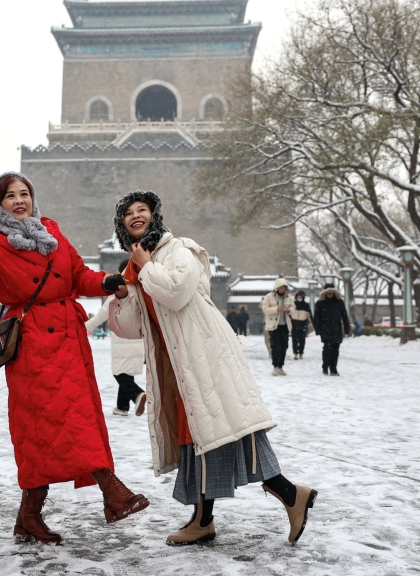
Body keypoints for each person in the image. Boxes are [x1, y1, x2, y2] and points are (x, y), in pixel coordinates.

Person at [0, 172, 148, 546]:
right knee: (43, 428)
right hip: (32, 345)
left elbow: (78, 276)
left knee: (72, 418)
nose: (19, 201)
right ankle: (112, 492)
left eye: (25, 194)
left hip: (69, 340)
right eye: (10, 197)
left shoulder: (50, 232)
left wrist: (103, 281)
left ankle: (29, 516)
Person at [108, 191, 317, 547]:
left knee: (228, 429)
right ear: (121, 224)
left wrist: (146, 266)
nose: (135, 215)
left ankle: (285, 494)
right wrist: (123, 296)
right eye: (128, 213)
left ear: (154, 215)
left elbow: (176, 293)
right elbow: (131, 327)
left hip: (205, 354)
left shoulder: (180, 250)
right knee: (201, 435)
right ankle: (207, 518)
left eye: (142, 210)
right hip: (175, 364)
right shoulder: (133, 266)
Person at [86, 260, 147, 418]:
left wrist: (83, 328)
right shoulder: (142, 291)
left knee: (119, 373)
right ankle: (122, 407)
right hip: (139, 341)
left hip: (122, 341)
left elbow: (101, 316)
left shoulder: (120, 291)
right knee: (127, 373)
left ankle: (138, 394)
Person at [314, 284, 350, 376]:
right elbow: (317, 318)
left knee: (335, 349)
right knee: (327, 348)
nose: (330, 295)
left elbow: (344, 316)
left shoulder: (339, 302)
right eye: (328, 293)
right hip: (325, 329)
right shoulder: (320, 303)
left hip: (337, 329)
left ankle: (333, 368)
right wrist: (317, 329)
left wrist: (347, 328)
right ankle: (325, 366)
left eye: (331, 293)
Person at [261, 278, 294, 376]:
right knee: (276, 347)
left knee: (284, 346)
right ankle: (275, 366)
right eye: (281, 288)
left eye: (284, 288)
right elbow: (265, 309)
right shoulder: (269, 297)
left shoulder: (288, 297)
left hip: (285, 325)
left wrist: (289, 310)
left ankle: (281, 366)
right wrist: (276, 309)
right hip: (274, 326)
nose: (282, 290)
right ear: (277, 288)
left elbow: (293, 307)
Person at [290, 291, 312, 360]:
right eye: (298, 297)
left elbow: (309, 315)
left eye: (300, 297)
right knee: (294, 340)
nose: (299, 298)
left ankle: (301, 352)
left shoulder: (306, 305)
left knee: (302, 340)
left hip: (303, 324)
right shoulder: (293, 304)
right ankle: (295, 353)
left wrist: (311, 324)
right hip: (294, 324)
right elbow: (289, 314)